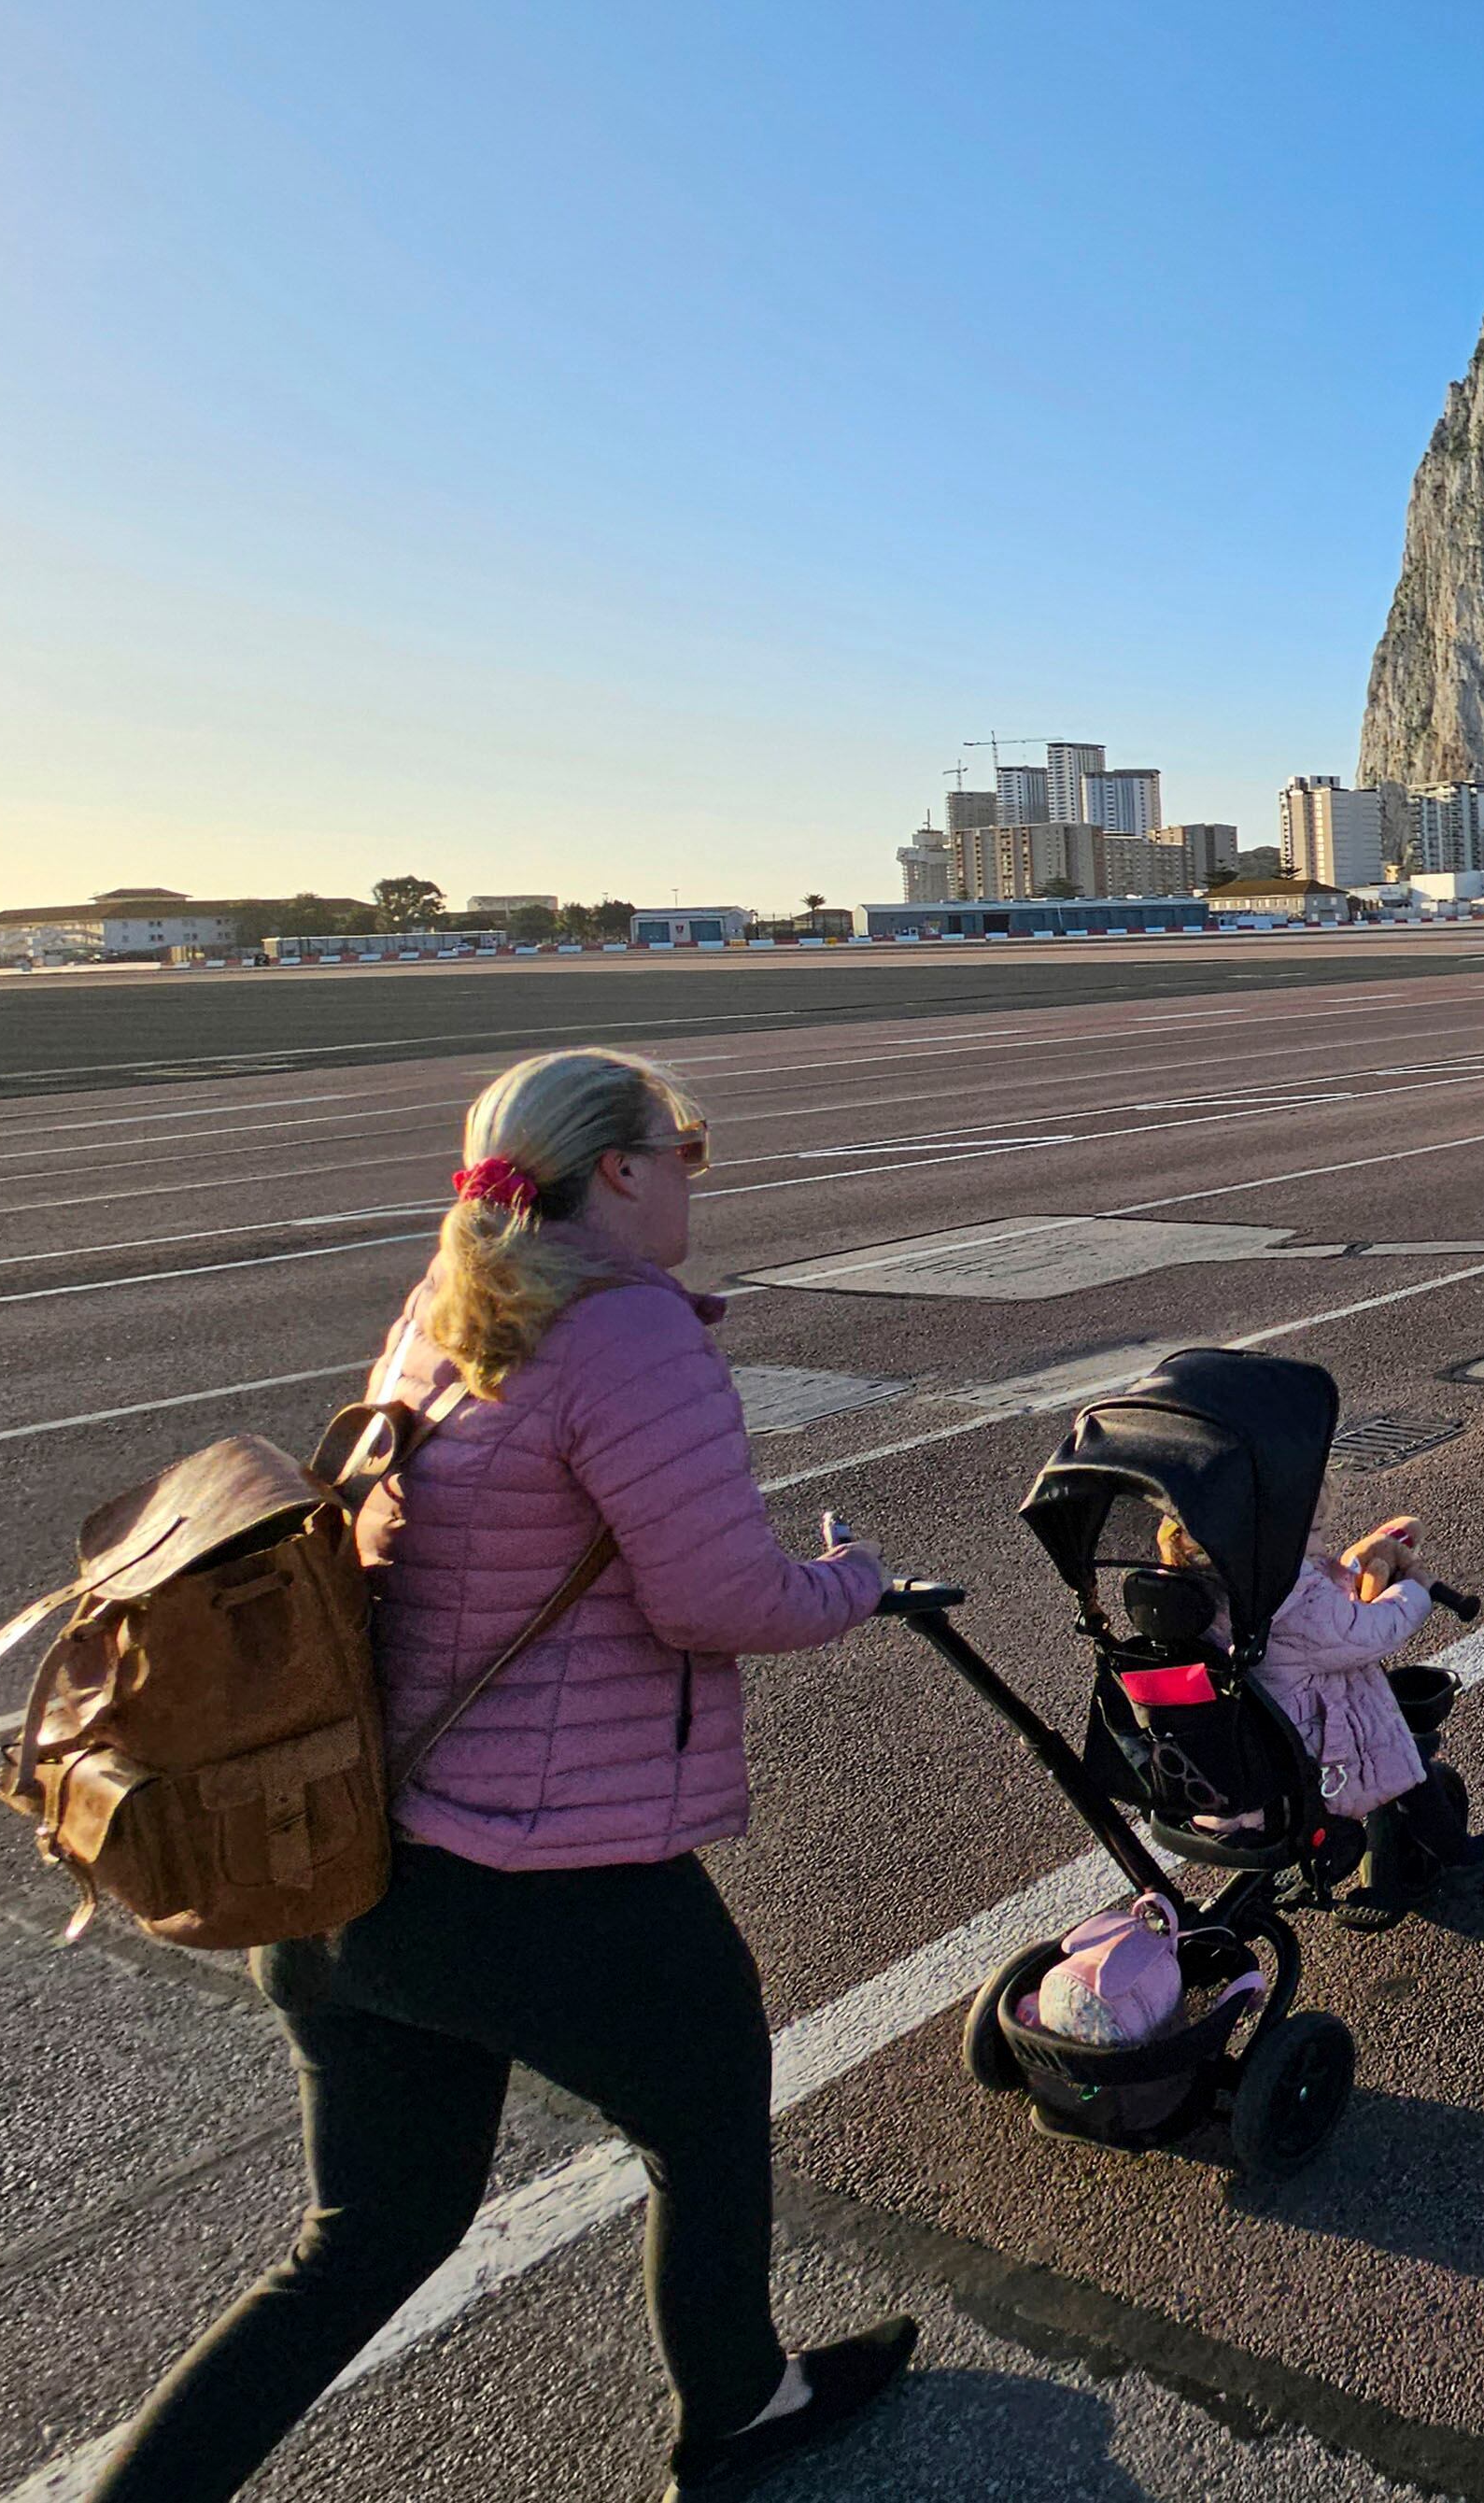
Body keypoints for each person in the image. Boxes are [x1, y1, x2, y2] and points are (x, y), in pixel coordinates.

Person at [96, 1050, 912, 2503]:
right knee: (708, 2106)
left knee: (360, 2243)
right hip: (538, 1869)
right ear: (616, 1170)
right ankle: (735, 2406)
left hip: (351, 1869)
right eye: (685, 1149)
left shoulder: (446, 1313)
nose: (692, 1181)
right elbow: (717, 1599)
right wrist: (854, 1579)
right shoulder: (628, 1337)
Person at [1253, 1514, 1484, 1929]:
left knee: (1382, 1741)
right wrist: (1412, 1591)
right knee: (1395, 1752)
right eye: (1313, 1530)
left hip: (1250, 1758)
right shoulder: (1290, 1599)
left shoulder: (1219, 1594)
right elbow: (1365, 1633)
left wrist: (1350, 1569)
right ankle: (1461, 1859)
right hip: (1318, 1758)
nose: (1320, 1541)